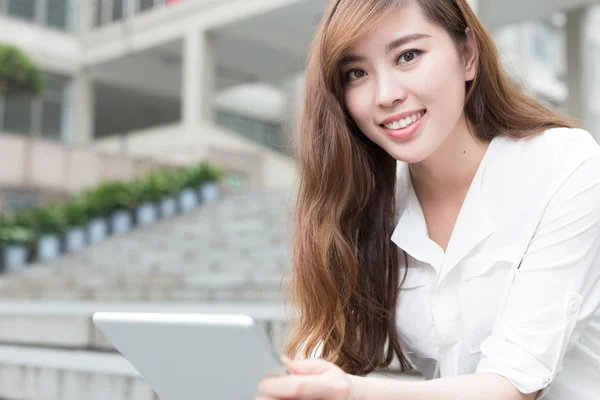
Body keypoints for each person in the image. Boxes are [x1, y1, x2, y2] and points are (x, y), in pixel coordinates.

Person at [256, 0, 600, 399]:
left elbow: (513, 385)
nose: (385, 95)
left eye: (408, 55)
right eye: (357, 73)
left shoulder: (566, 165)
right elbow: (332, 353)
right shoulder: (369, 201)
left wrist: (351, 393)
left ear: (467, 55)